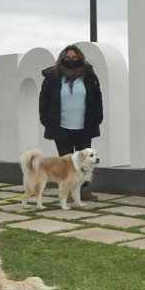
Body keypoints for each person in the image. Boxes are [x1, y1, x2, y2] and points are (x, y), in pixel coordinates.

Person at [39, 44, 103, 201]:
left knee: (85, 162)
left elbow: (97, 96)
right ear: (61, 59)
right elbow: (44, 99)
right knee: (66, 163)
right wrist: (46, 119)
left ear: (80, 58)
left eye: (74, 58)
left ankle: (83, 192)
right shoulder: (52, 76)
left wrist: (98, 116)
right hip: (61, 127)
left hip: (84, 126)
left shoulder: (88, 75)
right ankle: (66, 193)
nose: (71, 60)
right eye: (67, 58)